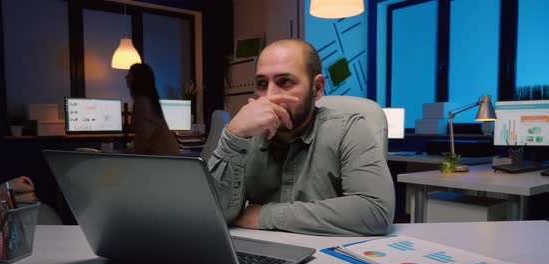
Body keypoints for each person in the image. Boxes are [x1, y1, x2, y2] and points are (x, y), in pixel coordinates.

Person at [208, 39, 395, 236]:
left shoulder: (348, 128)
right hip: (262, 255)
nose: (269, 96)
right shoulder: (247, 136)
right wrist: (233, 135)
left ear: (317, 87)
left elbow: (375, 211)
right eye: (262, 84)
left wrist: (267, 215)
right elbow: (212, 213)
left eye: (285, 82)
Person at [126, 63, 179, 155]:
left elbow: (143, 138)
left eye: (129, 74)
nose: (126, 77)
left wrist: (131, 154)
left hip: (162, 158)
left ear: (137, 79)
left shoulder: (142, 103)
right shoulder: (149, 101)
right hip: (168, 155)